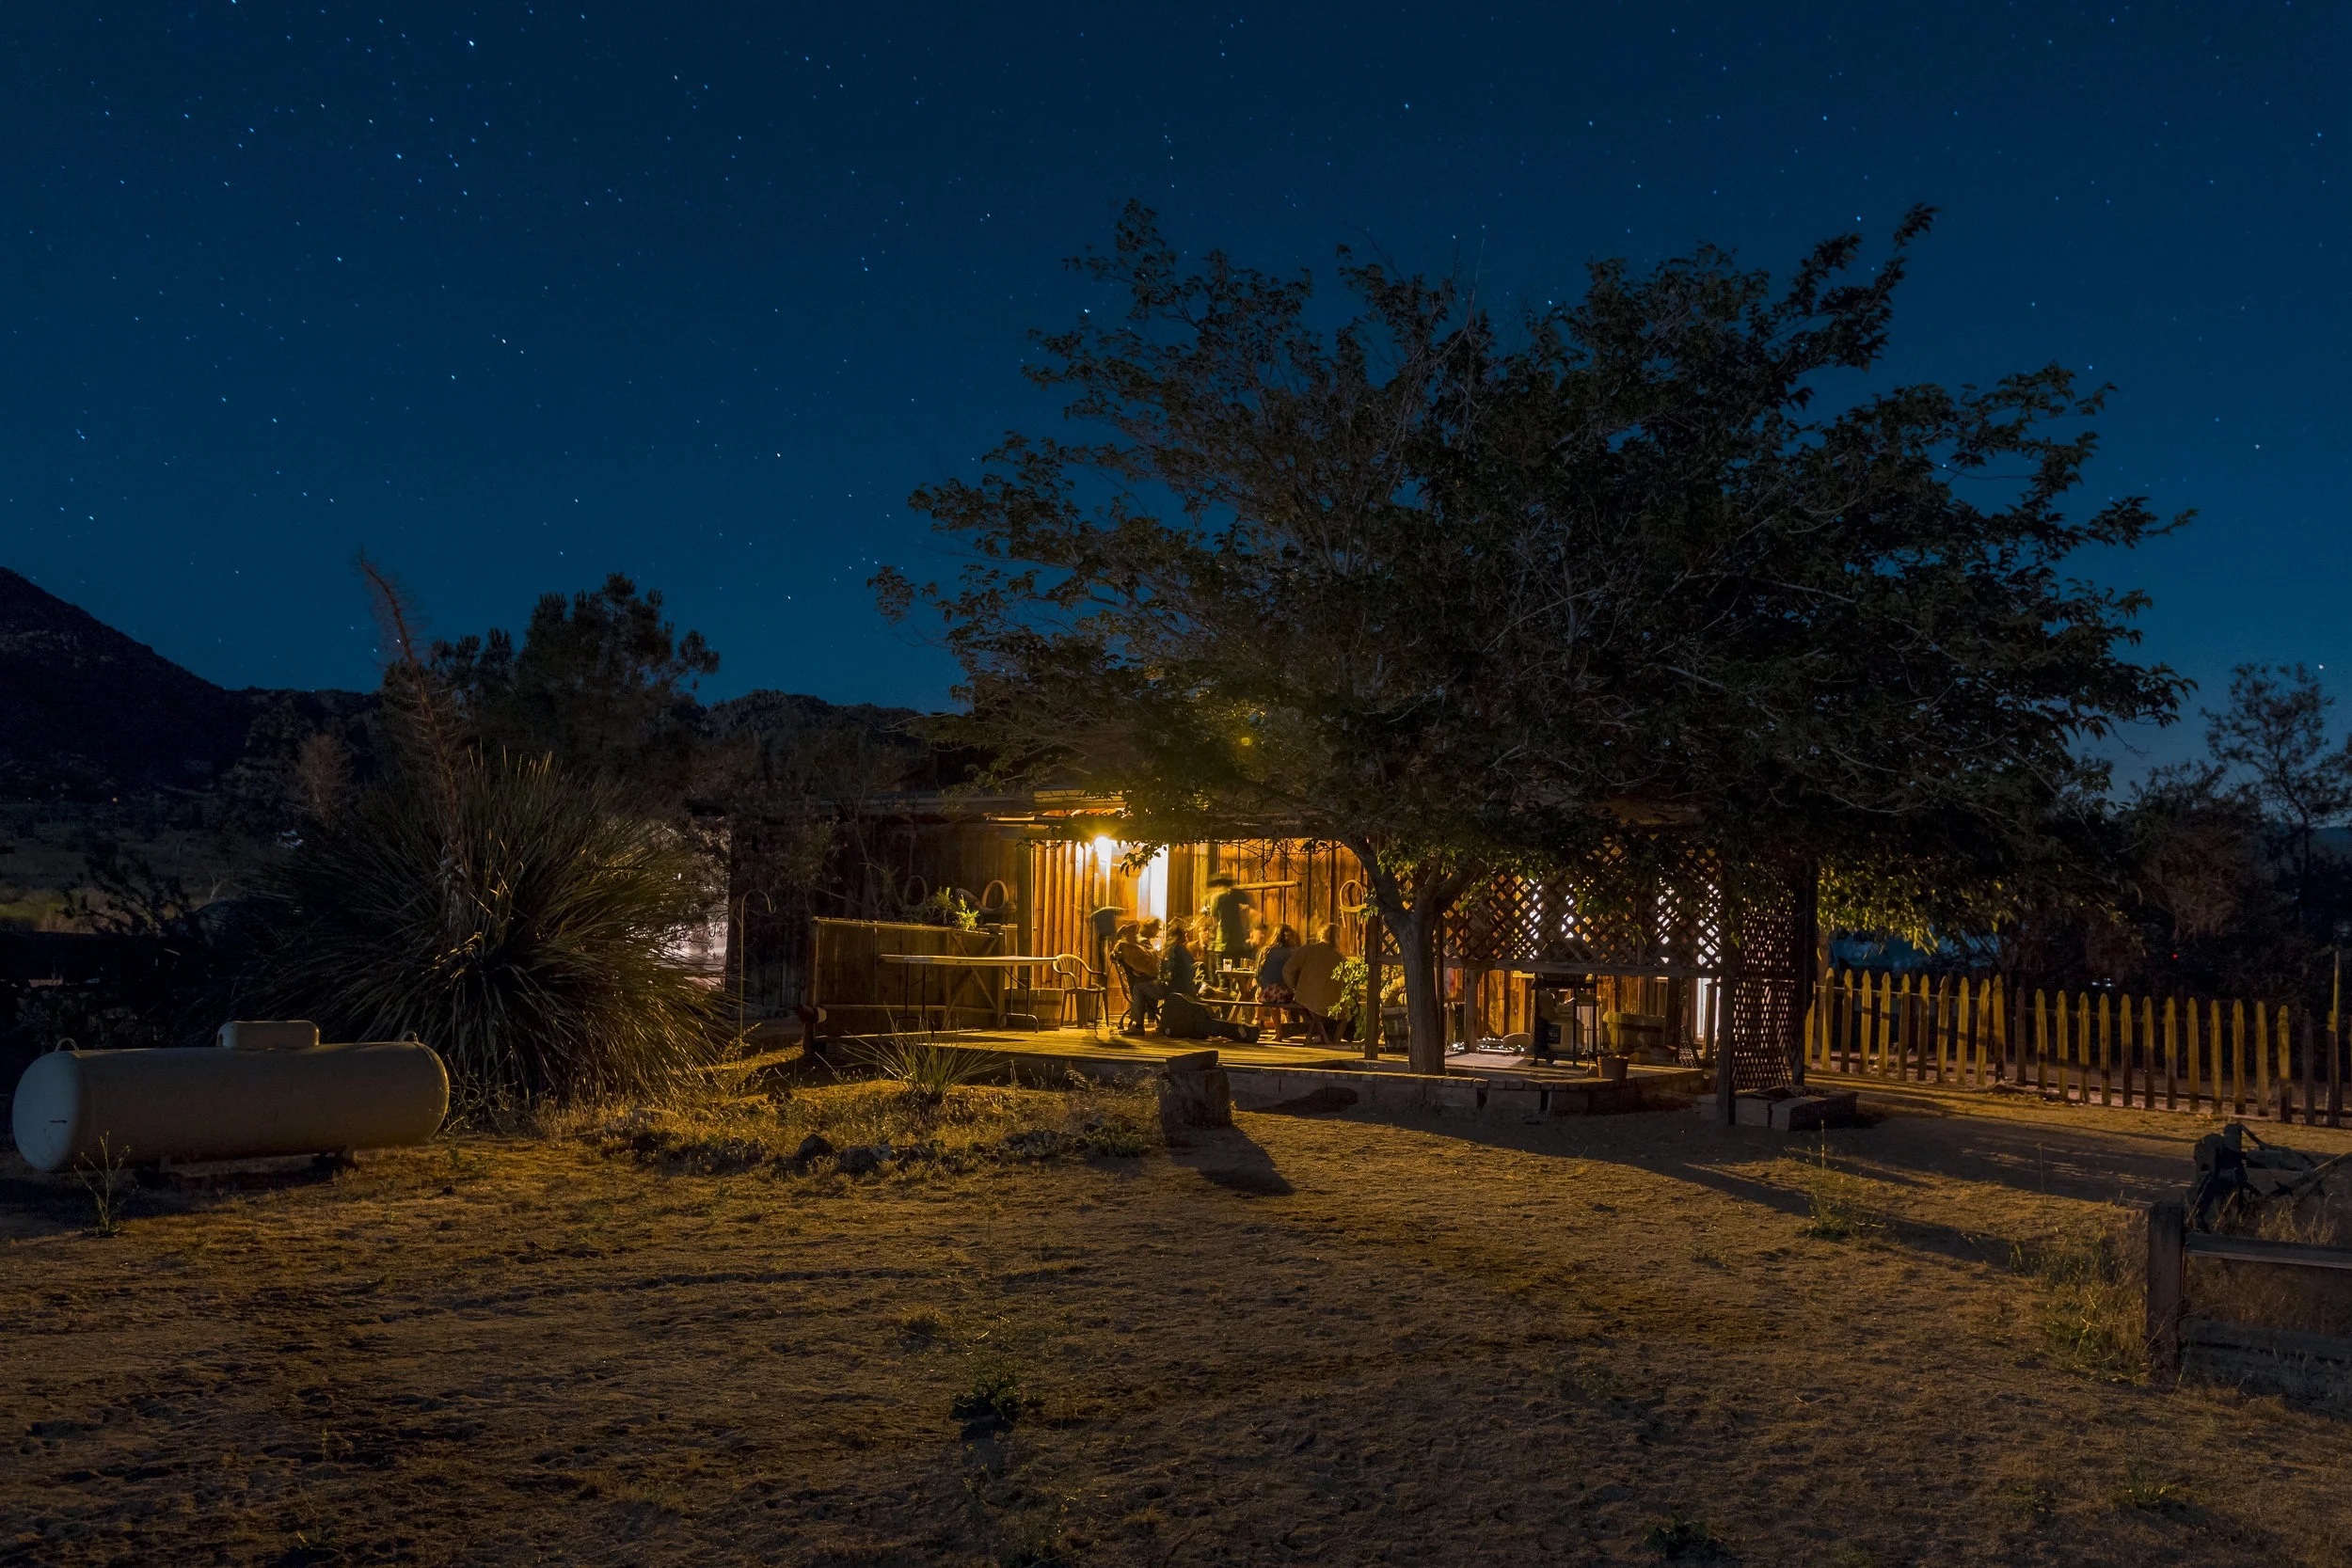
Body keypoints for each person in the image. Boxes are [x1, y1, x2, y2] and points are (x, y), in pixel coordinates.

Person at [1282, 923, 1345, 1045]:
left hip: (1306, 999)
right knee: (1343, 1012)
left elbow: (1287, 970)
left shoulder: (1307, 950)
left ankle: (1318, 1034)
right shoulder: (1341, 958)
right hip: (1332, 1005)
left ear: (1320, 935)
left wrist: (1293, 988)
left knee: (1300, 1005)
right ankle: (1324, 1036)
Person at [1110, 920, 1167, 1031]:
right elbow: (1150, 962)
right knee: (1152, 983)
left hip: (1139, 981)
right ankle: (1149, 1019)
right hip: (1141, 982)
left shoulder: (1128, 947)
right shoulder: (1134, 946)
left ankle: (1144, 1021)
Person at [1204, 876, 1256, 974]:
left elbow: (1213, 920)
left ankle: (1223, 987)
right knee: (1237, 973)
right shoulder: (1238, 894)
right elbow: (1252, 905)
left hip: (1222, 942)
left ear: (1218, 885)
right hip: (1238, 942)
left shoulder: (1216, 897)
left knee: (1222, 975)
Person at [1255, 924, 1297, 1034]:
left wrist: (1263, 986)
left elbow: (1258, 975)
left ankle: (1275, 1029)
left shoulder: (1265, 951)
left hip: (1271, 994)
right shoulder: (1294, 952)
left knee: (1263, 992)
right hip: (1292, 995)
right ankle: (1288, 1025)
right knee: (1269, 992)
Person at [1161, 922, 1200, 999]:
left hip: (1177, 987)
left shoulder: (1173, 948)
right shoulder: (1178, 949)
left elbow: (1168, 969)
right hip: (1184, 988)